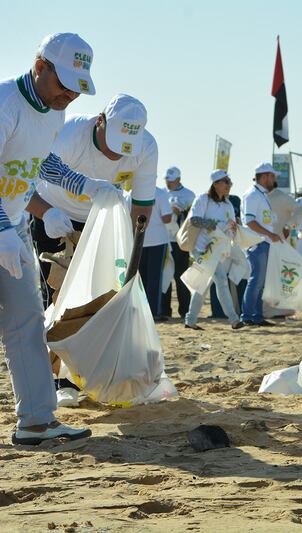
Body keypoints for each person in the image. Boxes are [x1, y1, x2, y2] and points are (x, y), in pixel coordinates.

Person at [0, 33, 115, 444]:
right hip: (3, 231)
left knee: (27, 325)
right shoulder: (5, 105)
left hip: (10, 231)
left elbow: (40, 162)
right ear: (39, 66)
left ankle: (35, 421)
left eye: (77, 87)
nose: (70, 94)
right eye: (63, 82)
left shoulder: (53, 113)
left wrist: (85, 186)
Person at [33, 93, 156, 306]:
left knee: (96, 295)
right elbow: (27, 179)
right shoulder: (70, 133)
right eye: (115, 142)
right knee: (55, 293)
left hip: (98, 222)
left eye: (127, 147)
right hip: (53, 216)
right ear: (101, 120)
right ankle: (50, 339)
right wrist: (46, 213)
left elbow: (141, 208)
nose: (118, 153)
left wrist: (131, 251)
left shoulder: (147, 148)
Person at [184, 170, 244, 331]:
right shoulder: (203, 199)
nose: (229, 185)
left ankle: (190, 320)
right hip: (202, 248)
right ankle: (233, 319)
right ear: (216, 183)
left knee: (204, 284)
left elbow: (231, 229)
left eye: (229, 182)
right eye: (226, 182)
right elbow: (194, 220)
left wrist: (233, 227)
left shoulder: (228, 204)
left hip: (218, 250)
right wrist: (212, 225)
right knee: (220, 280)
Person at [239, 162, 282, 326]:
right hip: (256, 243)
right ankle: (248, 316)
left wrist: (273, 235)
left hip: (264, 242)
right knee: (256, 280)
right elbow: (249, 221)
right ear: (264, 177)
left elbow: (262, 221)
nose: (273, 180)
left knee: (260, 281)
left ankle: (256, 316)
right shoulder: (252, 195)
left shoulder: (261, 195)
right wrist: (270, 234)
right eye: (272, 176)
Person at [161, 166, 195, 319]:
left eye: (171, 180)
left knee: (181, 276)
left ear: (179, 179)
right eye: (167, 180)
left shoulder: (189, 195)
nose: (168, 183)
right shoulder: (161, 193)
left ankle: (185, 310)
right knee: (165, 275)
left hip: (180, 241)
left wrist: (181, 212)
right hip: (163, 239)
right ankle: (164, 310)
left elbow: (193, 218)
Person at [137, 185, 172, 319]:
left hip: (139, 240)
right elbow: (166, 218)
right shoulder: (160, 193)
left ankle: (142, 312)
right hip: (157, 240)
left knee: (142, 278)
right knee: (155, 278)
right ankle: (153, 312)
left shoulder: (131, 192)